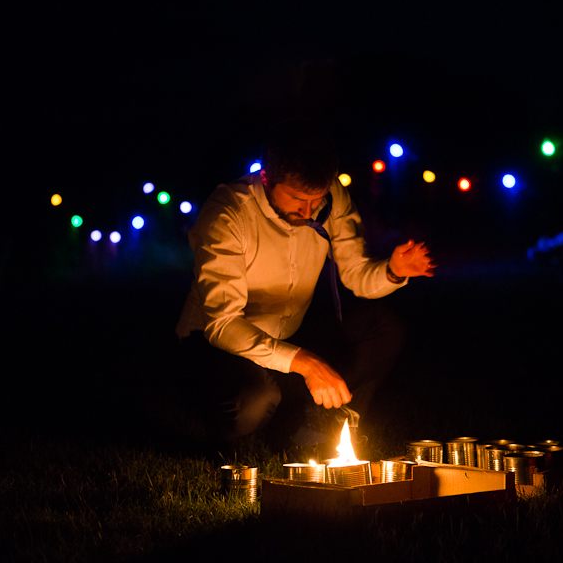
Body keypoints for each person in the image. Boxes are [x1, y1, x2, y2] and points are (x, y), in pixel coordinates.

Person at [175, 120, 435, 453]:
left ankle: (330, 423)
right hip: (218, 347)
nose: (310, 211)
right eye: (298, 199)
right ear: (267, 177)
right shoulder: (228, 214)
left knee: (382, 327)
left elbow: (356, 275)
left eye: (318, 199)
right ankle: (231, 428)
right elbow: (222, 325)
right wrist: (306, 364)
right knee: (255, 402)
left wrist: (394, 271)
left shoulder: (331, 199)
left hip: (290, 335)